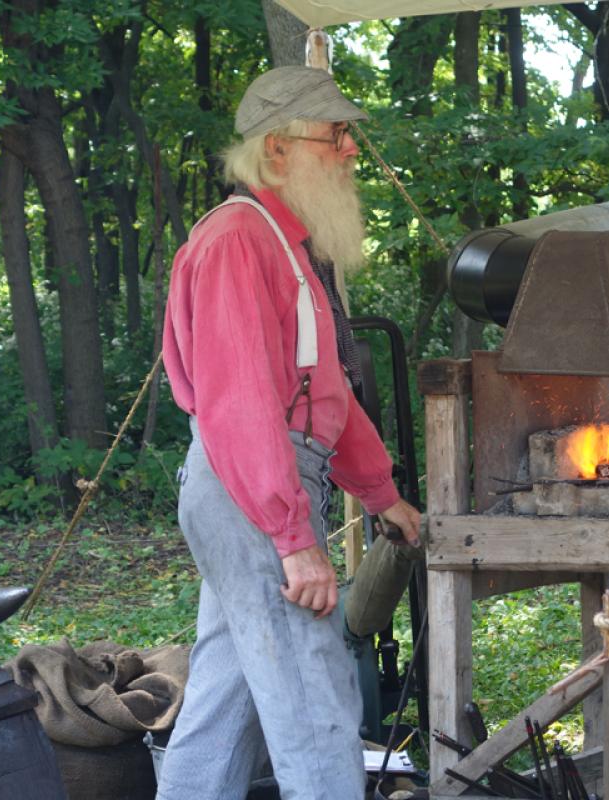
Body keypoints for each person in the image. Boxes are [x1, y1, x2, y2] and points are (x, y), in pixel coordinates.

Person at [156, 66, 421, 800]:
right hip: (251, 485)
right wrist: (293, 536)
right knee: (314, 692)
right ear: (277, 150)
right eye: (335, 135)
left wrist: (381, 494)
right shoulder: (239, 239)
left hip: (260, 481)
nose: (350, 151)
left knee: (223, 699)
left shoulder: (286, 245)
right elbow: (238, 403)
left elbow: (326, 395)